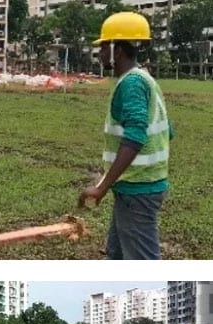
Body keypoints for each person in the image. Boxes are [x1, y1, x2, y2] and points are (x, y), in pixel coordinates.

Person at [78, 12, 172, 260]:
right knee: (116, 254)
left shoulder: (131, 84)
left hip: (138, 190)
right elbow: (167, 131)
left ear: (117, 50)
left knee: (141, 260)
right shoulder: (144, 79)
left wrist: (102, 186)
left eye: (103, 47)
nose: (99, 53)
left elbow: (136, 136)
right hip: (134, 186)